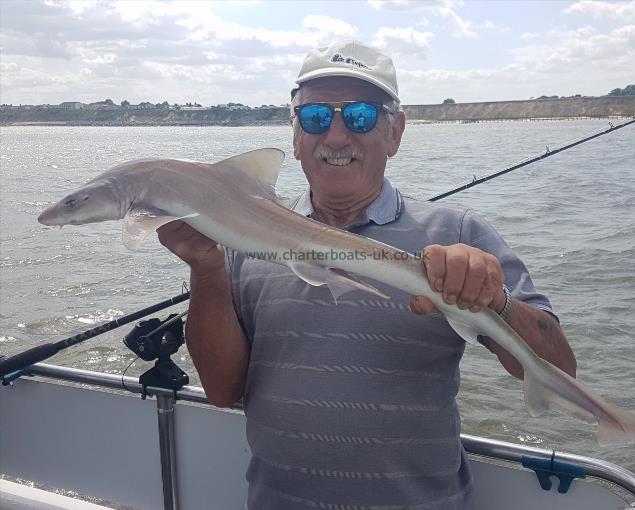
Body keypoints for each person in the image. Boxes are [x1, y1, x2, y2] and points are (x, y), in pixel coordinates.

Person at [158, 41, 576, 509]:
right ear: (295, 133)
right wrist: (207, 268)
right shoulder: (242, 241)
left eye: (359, 116)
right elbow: (221, 390)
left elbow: (560, 369)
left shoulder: (457, 233)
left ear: (394, 132)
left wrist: (494, 300)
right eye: (316, 117)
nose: (336, 137)